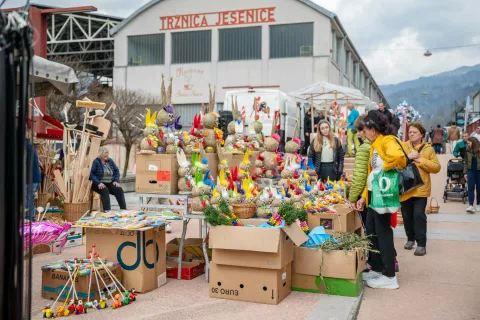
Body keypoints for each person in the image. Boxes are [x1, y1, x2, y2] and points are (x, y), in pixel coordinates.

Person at [356, 110, 406, 290]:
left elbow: (398, 158)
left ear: (373, 128)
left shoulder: (387, 141)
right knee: (371, 231)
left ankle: (389, 275)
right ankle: (377, 267)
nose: (363, 132)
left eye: (365, 128)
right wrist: (363, 196)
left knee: (383, 232)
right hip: (373, 194)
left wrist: (384, 167)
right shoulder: (375, 144)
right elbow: (371, 173)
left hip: (382, 195)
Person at [400, 122, 441, 256]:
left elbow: (436, 167)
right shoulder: (403, 146)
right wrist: (407, 158)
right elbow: (396, 161)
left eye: (414, 132)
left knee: (418, 215)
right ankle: (410, 238)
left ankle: (421, 244)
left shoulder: (428, 149)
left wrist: (419, 160)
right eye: (410, 132)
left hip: (421, 188)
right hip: (405, 186)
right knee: (406, 215)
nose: (411, 134)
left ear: (422, 134)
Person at [348, 114, 371, 225]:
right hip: (373, 193)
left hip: (364, 194)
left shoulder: (364, 148)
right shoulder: (375, 144)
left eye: (359, 130)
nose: (358, 134)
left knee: (368, 228)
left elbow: (360, 177)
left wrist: (352, 198)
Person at [90, 147, 127, 211]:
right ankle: (107, 211)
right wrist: (98, 183)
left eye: (107, 153)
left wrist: (115, 181)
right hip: (98, 184)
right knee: (105, 190)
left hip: (109, 183)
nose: (107, 155)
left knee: (119, 189)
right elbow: (91, 174)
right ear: (101, 154)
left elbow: (116, 171)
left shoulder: (110, 161)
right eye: (105, 153)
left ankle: (124, 209)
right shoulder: (96, 162)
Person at [25, 138, 41, 221]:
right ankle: (31, 219)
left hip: (29, 179)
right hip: (34, 179)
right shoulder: (31, 147)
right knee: (30, 200)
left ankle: (28, 220)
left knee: (27, 201)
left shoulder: (24, 147)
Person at [464, 137, 480, 213]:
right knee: (470, 187)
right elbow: (466, 162)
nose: (468, 144)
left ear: (473, 143)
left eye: (469, 143)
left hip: (479, 172)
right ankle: (470, 205)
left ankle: (478, 204)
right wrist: (465, 173)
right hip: (470, 171)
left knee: (479, 189)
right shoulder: (467, 150)